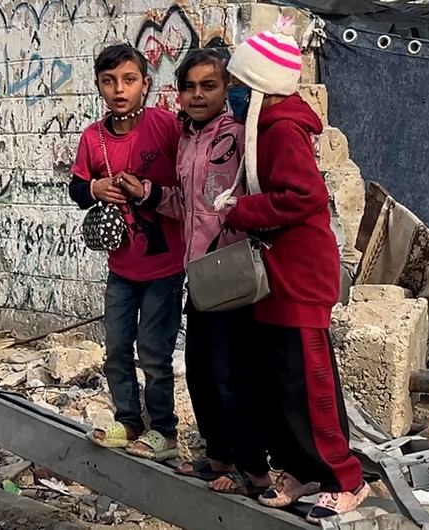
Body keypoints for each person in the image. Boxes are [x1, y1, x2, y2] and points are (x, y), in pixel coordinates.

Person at [219, 22, 371, 521]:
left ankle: (344, 479)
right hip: (278, 279)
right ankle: (300, 468)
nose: (233, 95)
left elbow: (301, 197)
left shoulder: (282, 129)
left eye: (239, 86)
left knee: (310, 384)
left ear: (259, 87)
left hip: (299, 279)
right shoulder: (266, 126)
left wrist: (242, 211)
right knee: (282, 381)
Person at [130, 48, 273, 497]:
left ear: (226, 88)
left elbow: (256, 199)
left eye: (208, 86)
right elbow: (190, 206)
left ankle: (253, 470)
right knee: (200, 371)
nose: (197, 95)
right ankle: (218, 457)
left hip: (233, 272)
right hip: (201, 274)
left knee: (234, 374)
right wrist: (149, 193)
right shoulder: (187, 139)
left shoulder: (237, 137)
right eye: (189, 86)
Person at [68, 43, 185, 462]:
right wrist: (95, 188)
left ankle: (165, 432)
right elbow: (77, 188)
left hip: (166, 266)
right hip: (122, 267)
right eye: (109, 81)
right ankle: (129, 421)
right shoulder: (92, 137)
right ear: (99, 86)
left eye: (129, 80)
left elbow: (191, 184)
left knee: (154, 352)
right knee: (116, 348)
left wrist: (150, 194)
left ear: (146, 84)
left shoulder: (166, 126)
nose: (119, 89)